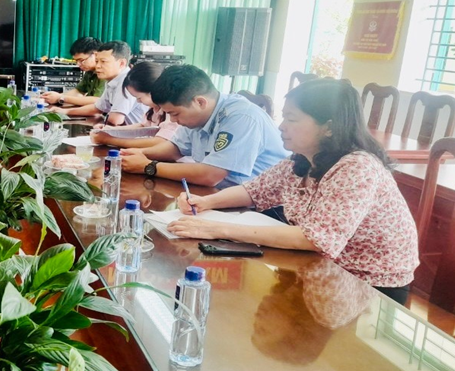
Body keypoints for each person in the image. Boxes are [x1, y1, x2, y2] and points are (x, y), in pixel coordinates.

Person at [170, 78, 419, 303]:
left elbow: (315, 239)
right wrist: (207, 202)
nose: (281, 127)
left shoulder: (356, 168)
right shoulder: (302, 159)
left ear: (328, 127)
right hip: (320, 267)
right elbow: (254, 191)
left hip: (368, 284)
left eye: (291, 119)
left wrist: (217, 229)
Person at [121, 64, 288, 187]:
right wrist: (138, 154)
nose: (172, 120)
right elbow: (175, 148)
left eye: (175, 113)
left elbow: (211, 175)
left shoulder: (240, 117)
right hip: (222, 195)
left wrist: (148, 166)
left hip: (263, 208)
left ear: (200, 102)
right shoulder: (198, 117)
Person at [51, 41, 148, 125]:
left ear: (121, 63)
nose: (97, 66)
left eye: (103, 62)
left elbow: (116, 120)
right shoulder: (112, 81)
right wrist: (65, 111)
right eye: (97, 61)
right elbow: (97, 108)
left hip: (137, 136)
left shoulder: (127, 82)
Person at [90, 61, 180, 148]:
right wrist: (110, 130)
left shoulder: (171, 111)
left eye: (139, 98)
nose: (138, 101)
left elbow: (160, 141)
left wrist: (108, 140)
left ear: (153, 92)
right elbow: (143, 126)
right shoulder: (154, 108)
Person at [41, 36, 103, 106]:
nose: (78, 64)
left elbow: (98, 101)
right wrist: (54, 97)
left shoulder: (105, 73)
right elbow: (78, 91)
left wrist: (61, 98)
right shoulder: (89, 71)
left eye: (81, 60)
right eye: (76, 61)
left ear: (95, 55)